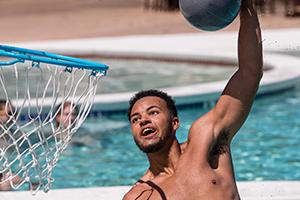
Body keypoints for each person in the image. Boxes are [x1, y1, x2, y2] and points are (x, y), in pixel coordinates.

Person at [123, 0, 263, 199]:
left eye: (153, 112)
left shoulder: (206, 142)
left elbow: (250, 73)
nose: (143, 120)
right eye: (135, 119)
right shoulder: (139, 196)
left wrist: (247, 6)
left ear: (175, 123)